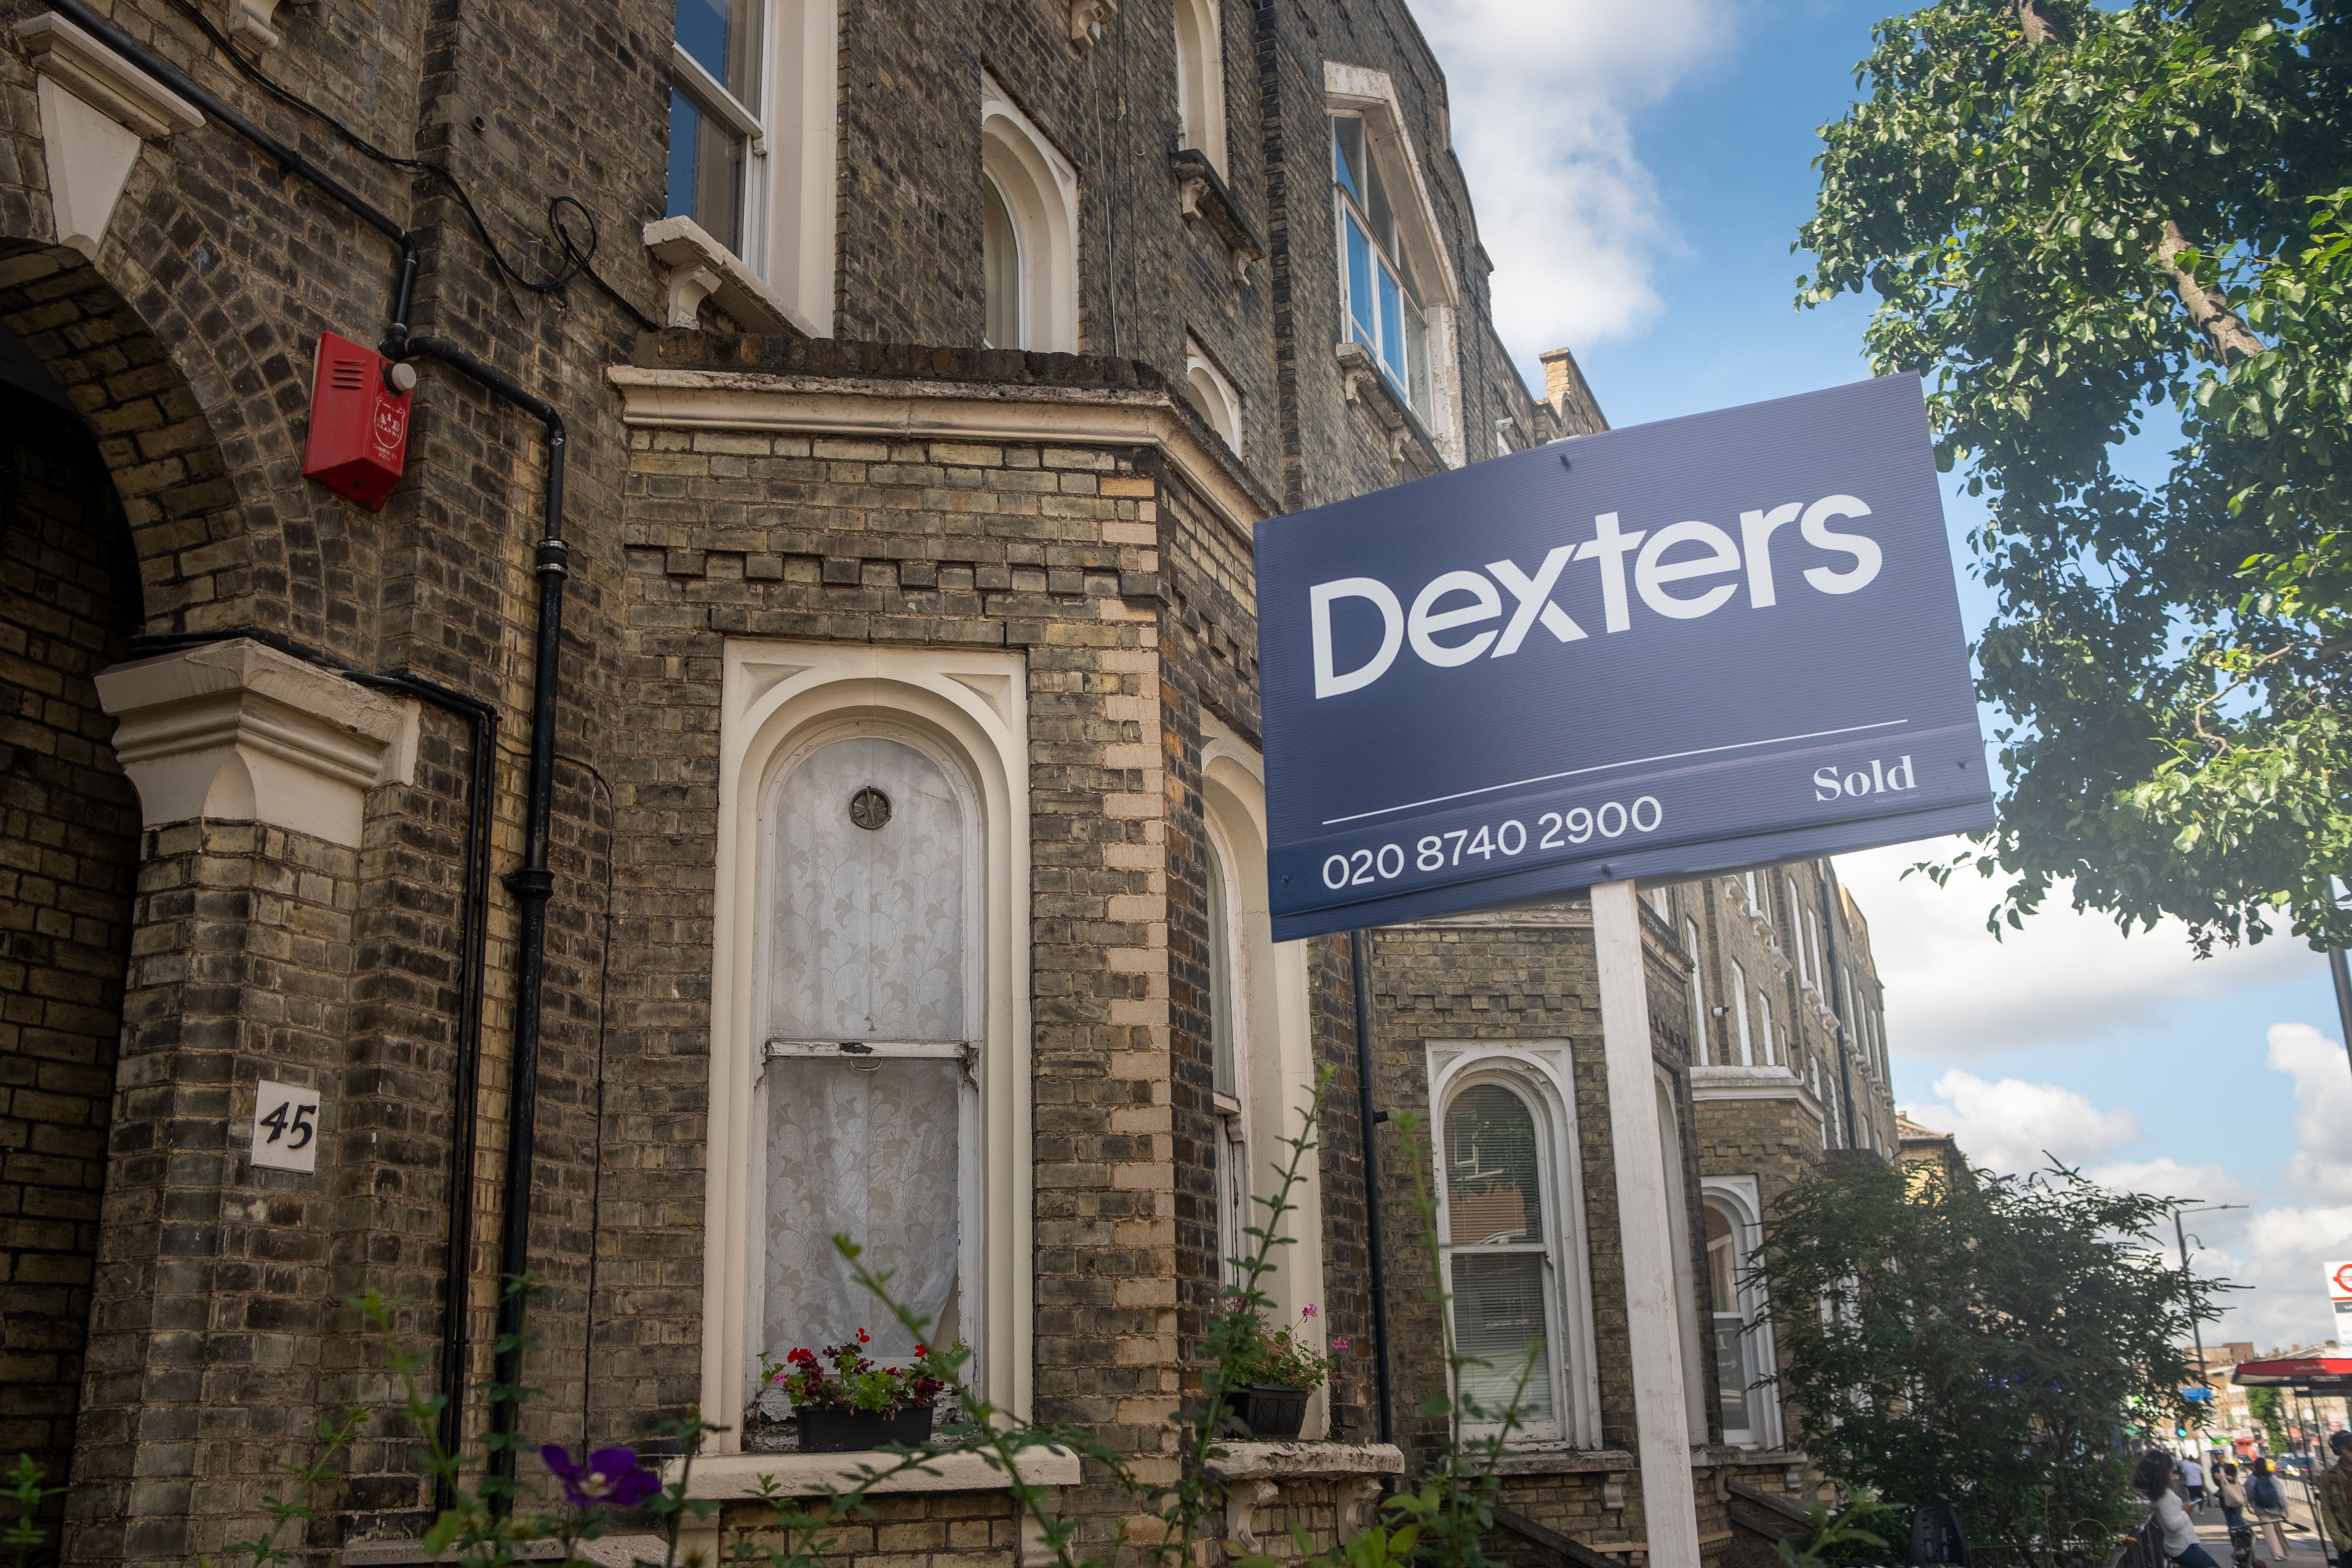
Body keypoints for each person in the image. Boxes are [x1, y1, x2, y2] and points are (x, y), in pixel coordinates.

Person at [2143, 1450, 2224, 1568]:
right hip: (2181, 1546)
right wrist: (2185, 1511)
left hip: (2182, 1544)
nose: (2173, 1471)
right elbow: (2172, 1524)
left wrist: (2182, 1509)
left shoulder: (2161, 1493)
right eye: (2172, 1468)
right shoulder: (2163, 1495)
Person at [2249, 1457, 2292, 1560]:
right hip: (2275, 1508)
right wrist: (2285, 1507)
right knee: (2278, 1530)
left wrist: (2255, 1507)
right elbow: (2280, 1493)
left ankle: (2278, 1554)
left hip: (2261, 1510)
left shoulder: (2251, 1479)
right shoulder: (2272, 1477)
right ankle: (2285, 1551)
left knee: (2269, 1533)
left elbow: (2250, 1496)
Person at [2320, 1432, 2352, 1564]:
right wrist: (2340, 1541)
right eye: (2350, 1449)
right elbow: (2328, 1513)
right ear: (2339, 1451)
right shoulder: (2329, 1477)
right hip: (2348, 1544)